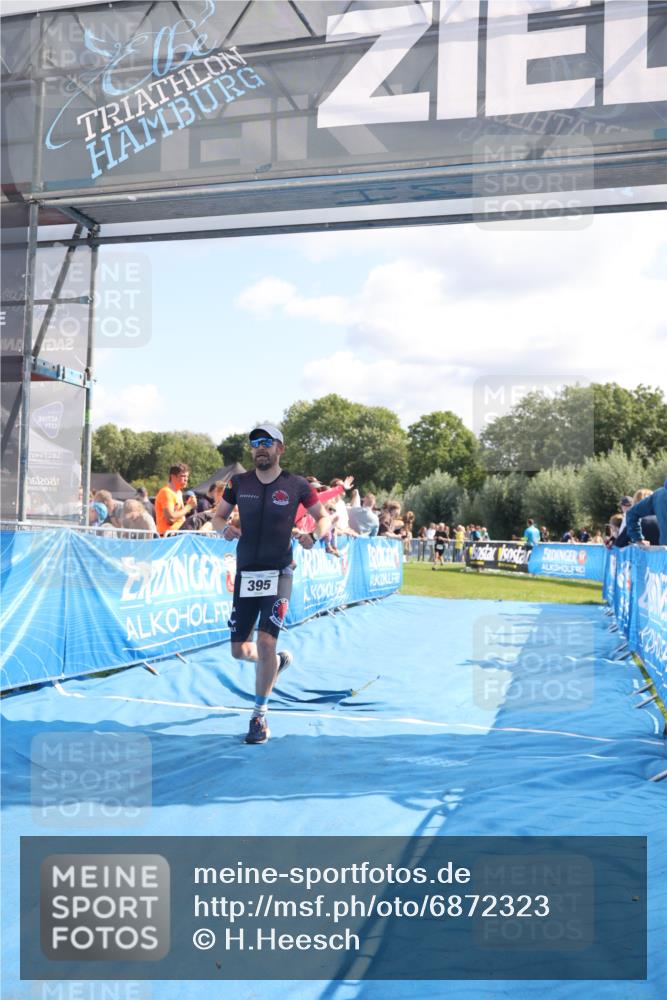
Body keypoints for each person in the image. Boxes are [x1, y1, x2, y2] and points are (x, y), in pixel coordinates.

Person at [212, 423, 330, 745]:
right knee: (239, 651)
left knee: (266, 642)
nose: (259, 448)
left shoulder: (297, 485)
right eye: (255, 443)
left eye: (267, 442)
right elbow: (218, 516)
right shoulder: (239, 483)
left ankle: (259, 716)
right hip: (247, 573)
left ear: (280, 448)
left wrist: (314, 536)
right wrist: (223, 527)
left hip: (280, 573)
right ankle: (275, 664)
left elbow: (323, 517)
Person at [154, 464, 197, 536]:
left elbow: (181, 516)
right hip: (169, 536)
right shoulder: (166, 492)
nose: (186, 479)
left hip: (178, 534)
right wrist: (188, 506)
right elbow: (170, 518)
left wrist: (189, 506)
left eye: (187, 476)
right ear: (173, 476)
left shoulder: (179, 492)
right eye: (183, 476)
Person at [625, 480, 667, 546]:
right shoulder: (659, 495)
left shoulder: (659, 494)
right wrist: (638, 539)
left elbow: (632, 513)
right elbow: (632, 513)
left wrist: (638, 539)